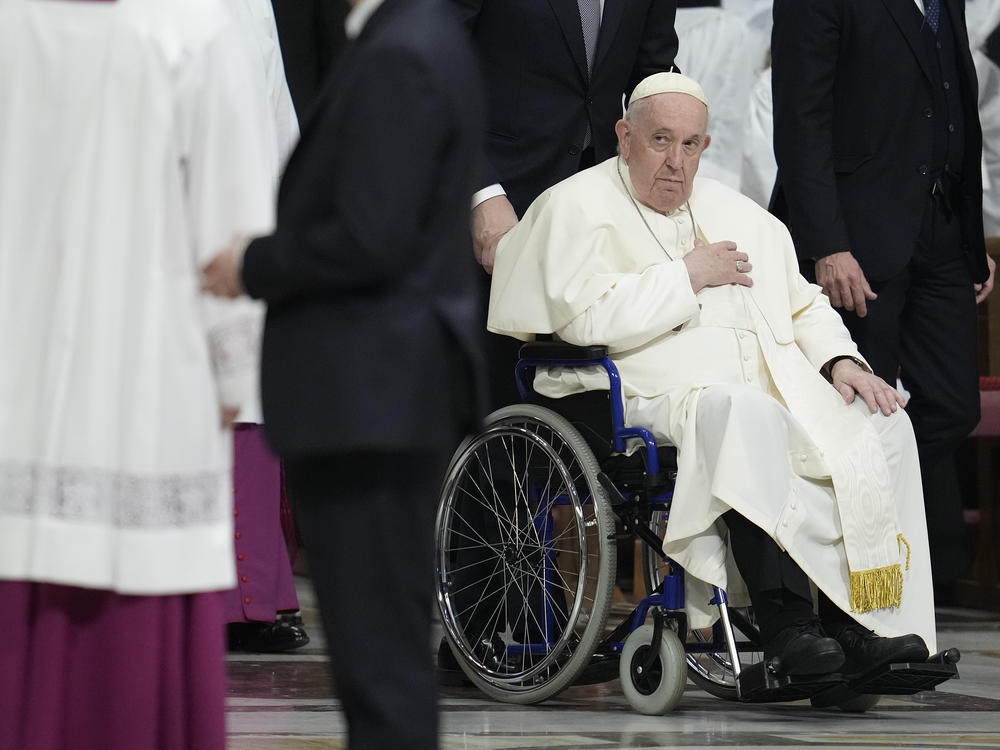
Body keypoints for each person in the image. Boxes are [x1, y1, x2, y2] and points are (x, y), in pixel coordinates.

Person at [488, 73, 933, 679]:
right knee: (743, 415)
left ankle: (872, 626)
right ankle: (788, 627)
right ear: (624, 136)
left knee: (880, 424)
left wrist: (840, 361)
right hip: (634, 391)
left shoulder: (737, 213)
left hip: (761, 388)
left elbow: (802, 303)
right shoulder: (574, 206)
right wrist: (687, 275)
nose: (676, 163)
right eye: (660, 141)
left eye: (691, 145)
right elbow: (583, 319)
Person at [200, 0, 485, 747]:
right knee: (378, 660)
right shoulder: (419, 36)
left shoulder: (400, 52)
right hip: (382, 390)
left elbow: (370, 237)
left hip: (373, 395)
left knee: (379, 662)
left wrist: (251, 264)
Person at [0, 1, 275, 749]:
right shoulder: (197, 29)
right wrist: (235, 377)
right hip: (146, 383)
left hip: (19, 381)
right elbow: (234, 240)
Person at [769, 0, 997, 594]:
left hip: (941, 234)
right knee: (858, 408)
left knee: (952, 405)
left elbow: (954, 107)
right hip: (857, 241)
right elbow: (800, 119)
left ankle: (844, 511)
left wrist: (971, 241)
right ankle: (845, 576)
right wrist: (825, 243)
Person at [452, 0, 680, 407]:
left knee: (583, 392)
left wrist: (673, 156)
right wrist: (481, 192)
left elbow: (653, 73)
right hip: (501, 198)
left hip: (605, 206)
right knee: (492, 397)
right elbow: (436, 69)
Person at [222, 0, 309, 654]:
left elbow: (279, 125)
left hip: (242, 234)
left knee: (248, 408)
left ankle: (256, 601)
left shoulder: (252, 6)